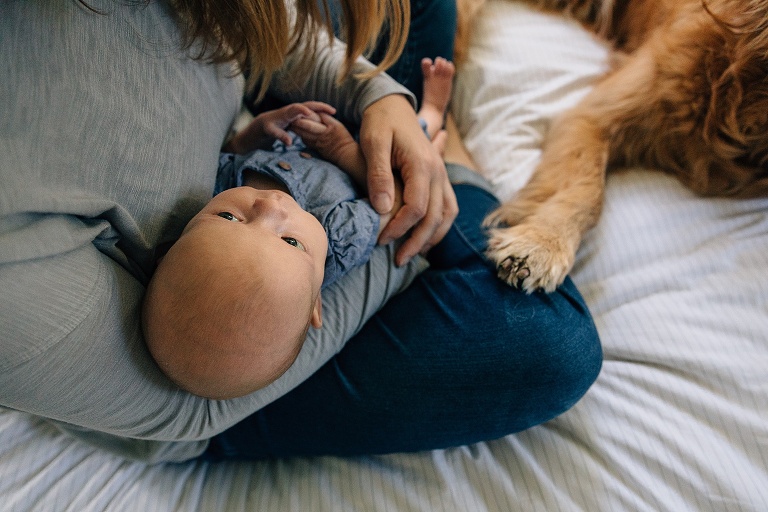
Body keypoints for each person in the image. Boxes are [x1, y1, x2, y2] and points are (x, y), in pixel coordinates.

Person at [1, 0, 602, 464]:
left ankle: (420, 129)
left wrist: (377, 99)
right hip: (215, 388)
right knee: (545, 339)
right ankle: (451, 153)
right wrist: (410, 202)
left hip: (276, 147)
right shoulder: (16, 272)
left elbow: (257, 25)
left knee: (423, 11)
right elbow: (185, 391)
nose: (270, 211)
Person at [143, 59, 455, 400]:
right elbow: (391, 201)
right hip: (366, 153)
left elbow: (231, 152)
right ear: (315, 302)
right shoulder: (339, 238)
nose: (271, 206)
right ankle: (435, 110)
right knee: (421, 135)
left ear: (173, 244)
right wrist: (342, 151)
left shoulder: (217, 187)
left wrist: (255, 133)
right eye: (290, 241)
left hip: (310, 121)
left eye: (229, 219)